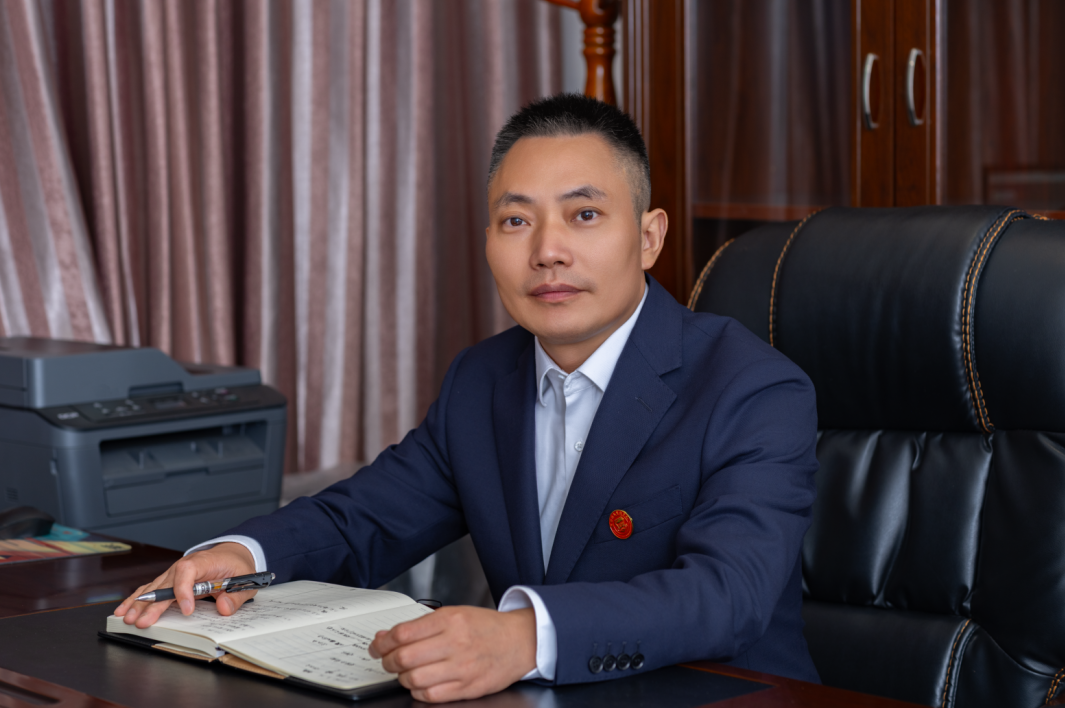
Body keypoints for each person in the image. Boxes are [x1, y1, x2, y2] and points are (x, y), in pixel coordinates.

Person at [116, 94, 820, 703]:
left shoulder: (752, 387)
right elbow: (366, 518)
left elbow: (728, 594)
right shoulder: (482, 380)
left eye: (583, 214)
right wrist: (244, 553)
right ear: (488, 241)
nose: (547, 251)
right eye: (516, 221)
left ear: (648, 237)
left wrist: (523, 637)